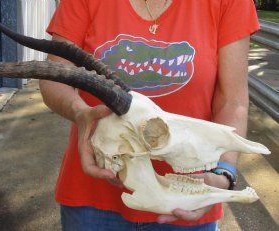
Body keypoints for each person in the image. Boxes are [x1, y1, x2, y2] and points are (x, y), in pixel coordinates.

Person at [39, 0, 259, 230]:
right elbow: (54, 77)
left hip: (188, 199)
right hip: (94, 195)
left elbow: (232, 101)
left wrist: (223, 173)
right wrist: (80, 113)